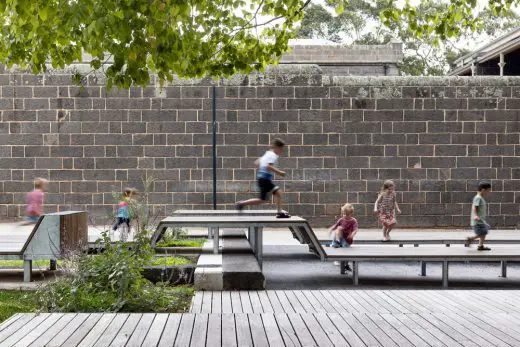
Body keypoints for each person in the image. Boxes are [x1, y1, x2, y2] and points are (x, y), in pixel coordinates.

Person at [235, 138, 290, 218]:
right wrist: (280, 172)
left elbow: (257, 162)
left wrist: (262, 166)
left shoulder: (268, 153)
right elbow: (268, 166)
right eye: (281, 149)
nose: (281, 151)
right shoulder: (273, 155)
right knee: (278, 193)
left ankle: (241, 204)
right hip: (265, 179)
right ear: (276, 147)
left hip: (262, 178)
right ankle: (279, 212)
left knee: (263, 199)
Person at [329, 203, 358, 272]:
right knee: (339, 228)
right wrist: (330, 229)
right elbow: (335, 226)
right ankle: (336, 242)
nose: (344, 215)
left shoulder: (353, 221)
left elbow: (355, 229)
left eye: (347, 214)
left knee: (345, 251)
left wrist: (352, 234)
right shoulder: (341, 220)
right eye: (343, 214)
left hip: (347, 239)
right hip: (341, 238)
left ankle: (346, 264)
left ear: (351, 214)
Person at [465, 182, 492, 251]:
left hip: (480, 220)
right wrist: (475, 215)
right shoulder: (478, 198)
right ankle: (470, 239)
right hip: (477, 221)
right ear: (483, 190)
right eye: (488, 190)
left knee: (486, 229)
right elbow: (474, 207)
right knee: (484, 232)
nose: (488, 192)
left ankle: (480, 245)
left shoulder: (480, 198)